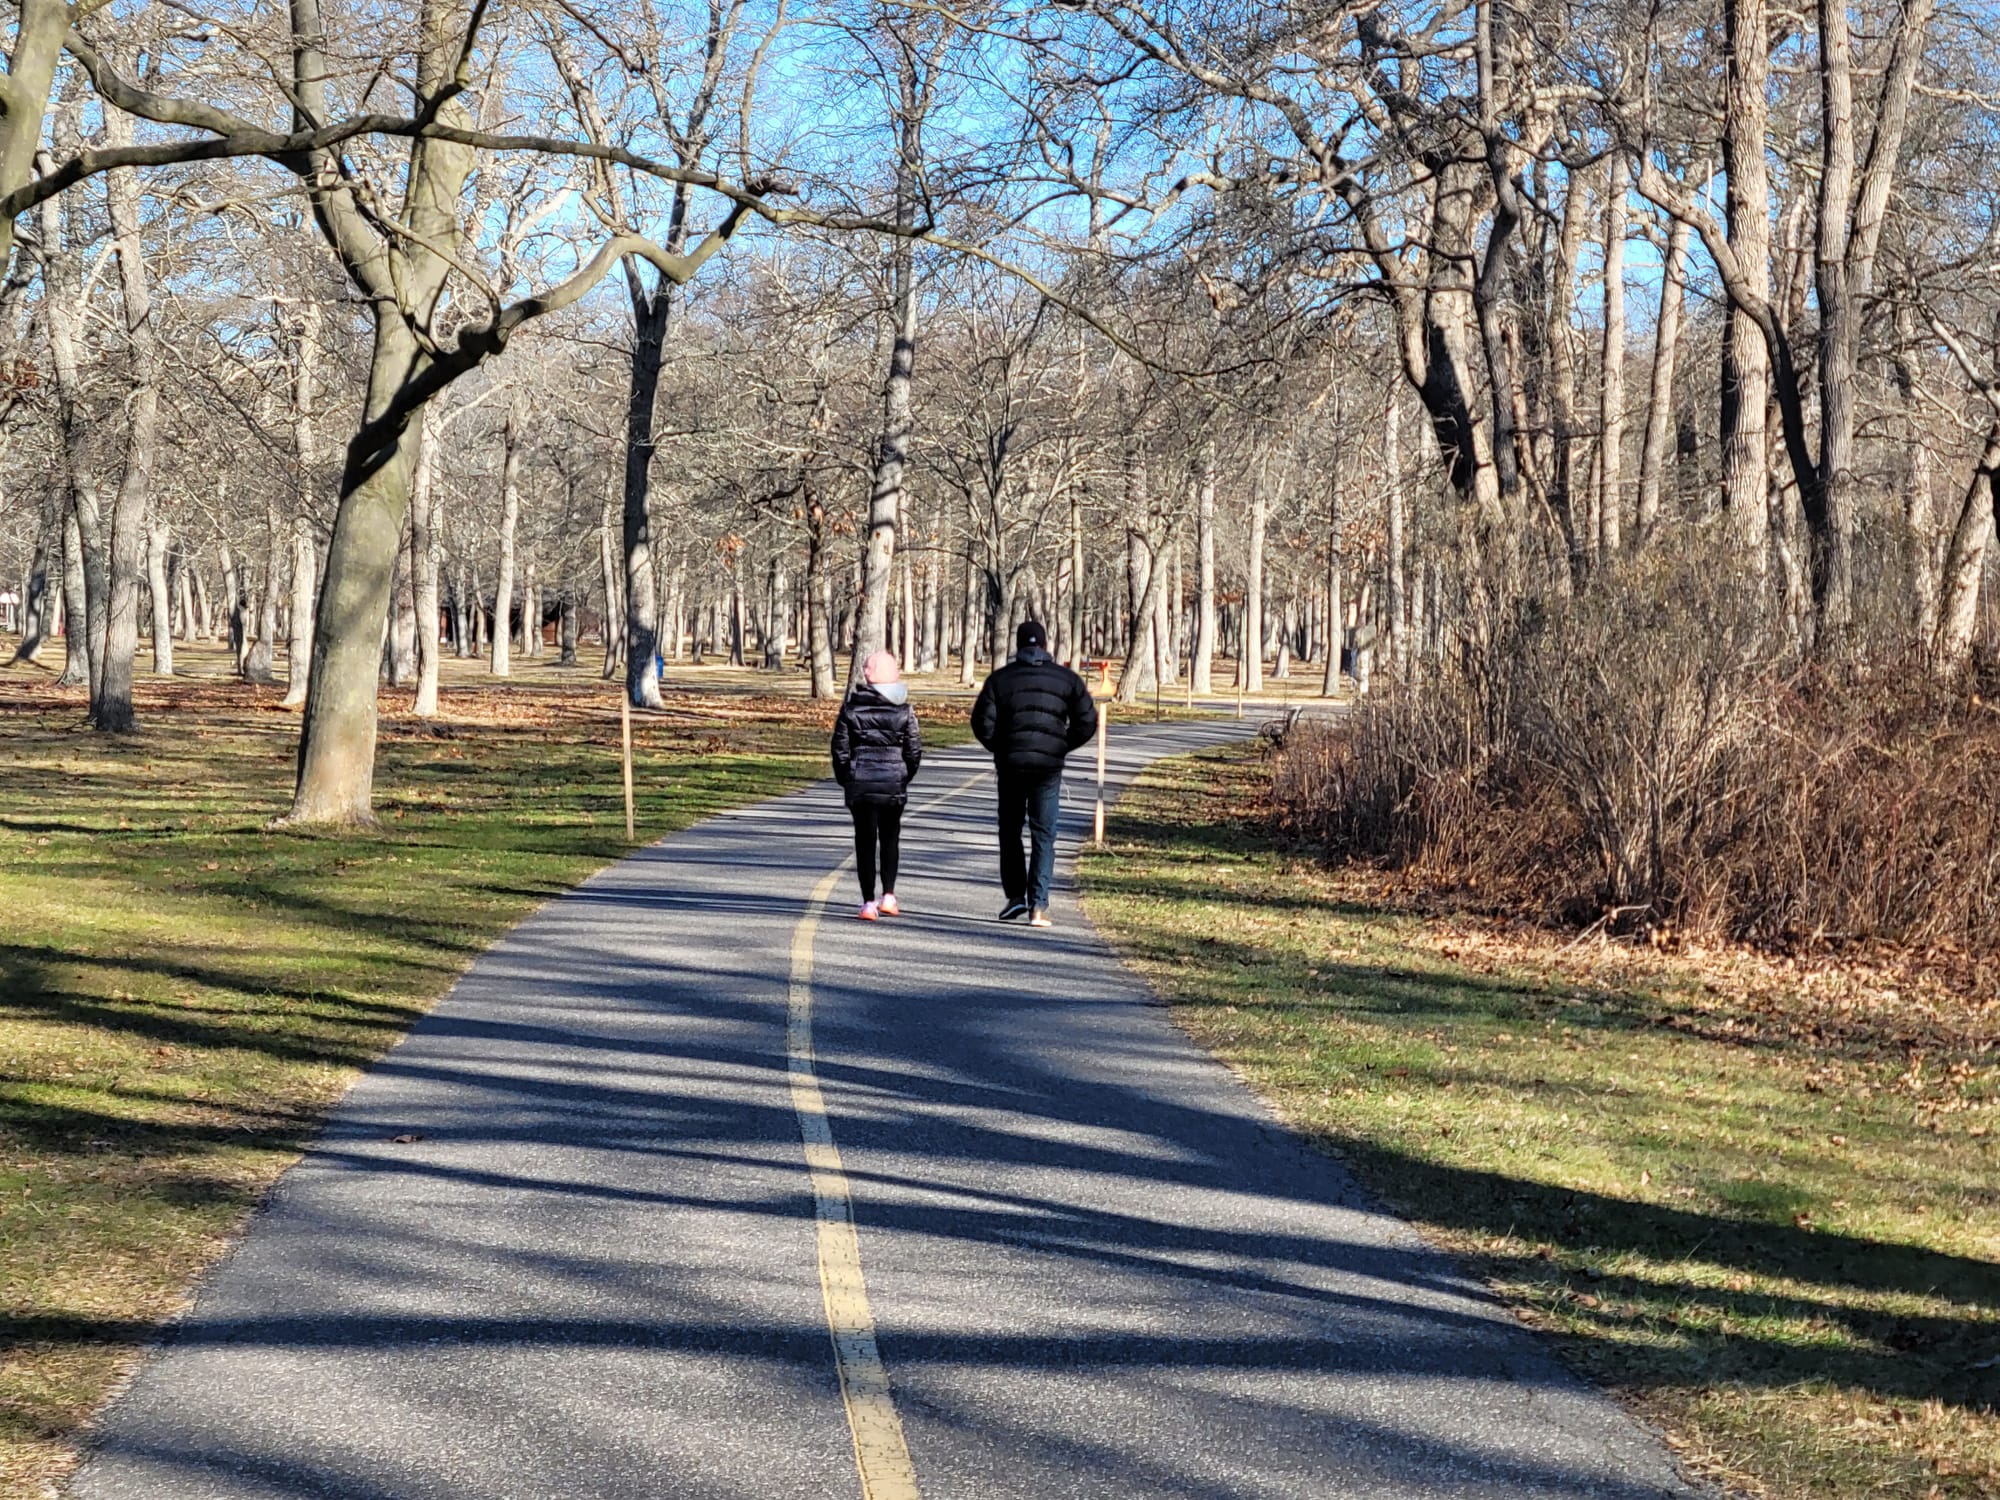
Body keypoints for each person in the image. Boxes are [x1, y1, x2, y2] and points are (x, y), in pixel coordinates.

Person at [971, 620, 1098, 928]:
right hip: (1048, 768)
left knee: (1010, 831)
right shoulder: (1067, 679)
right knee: (1044, 834)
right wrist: (1061, 746)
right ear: (1044, 645)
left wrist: (1001, 747)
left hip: (1011, 765)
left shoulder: (999, 680)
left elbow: (981, 723)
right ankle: (1038, 905)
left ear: (1018, 646)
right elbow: (1087, 720)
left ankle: (1015, 896)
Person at [830, 650, 922, 921]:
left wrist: (847, 778)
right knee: (891, 838)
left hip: (861, 784)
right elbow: (914, 750)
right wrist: (904, 775)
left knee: (865, 841)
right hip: (893, 783)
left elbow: (840, 749)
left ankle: (868, 901)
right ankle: (889, 896)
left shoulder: (850, 709)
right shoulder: (905, 711)